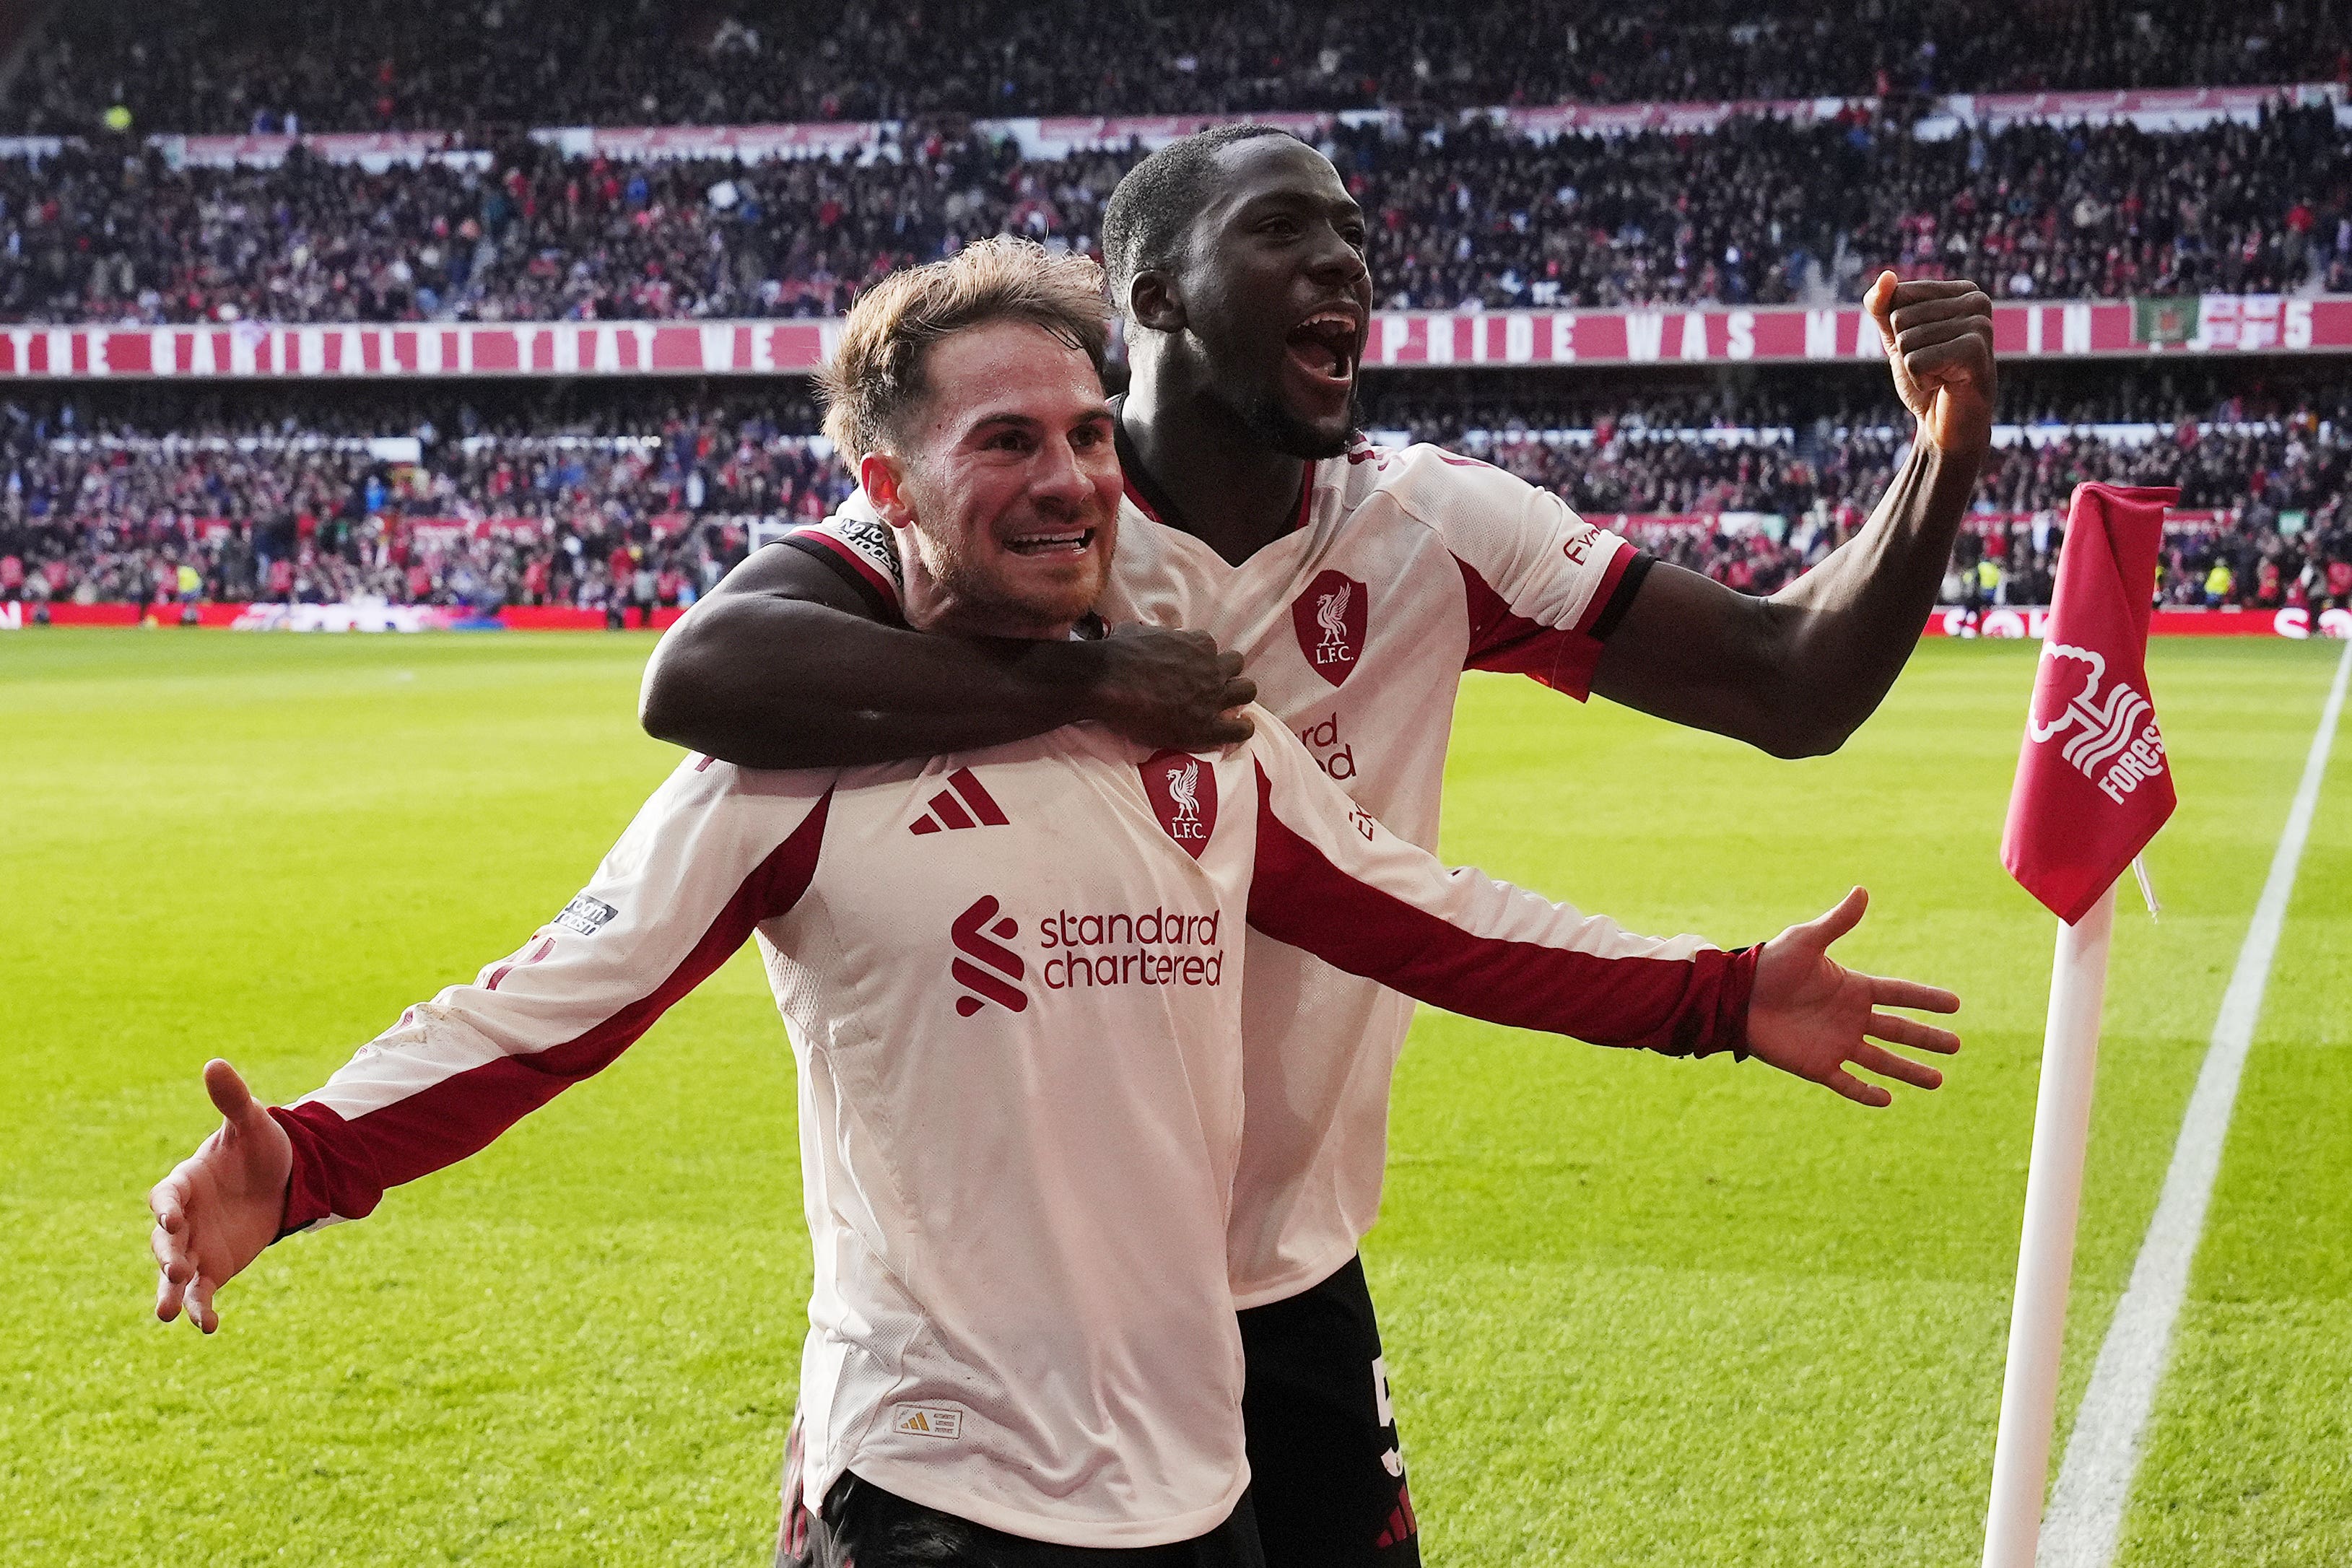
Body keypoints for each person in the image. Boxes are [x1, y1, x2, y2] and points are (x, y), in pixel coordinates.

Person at [148, 240, 1959, 1568]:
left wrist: (1726, 992)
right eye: (1004, 442)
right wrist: (299, 1162)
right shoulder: (796, 766)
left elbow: (1435, 912)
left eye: (1090, 434)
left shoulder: (1192, 733)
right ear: (888, 492)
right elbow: (556, 996)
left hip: (1198, 1479)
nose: (1072, 477)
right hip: (935, 1484)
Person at [642, 132, 1996, 1565]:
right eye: (1284, 230)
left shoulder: (1433, 525)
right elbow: (707, 671)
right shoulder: (1018, 517)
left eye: (1352, 233)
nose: (1344, 260)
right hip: (1008, 1319)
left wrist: (1942, 456)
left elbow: (1791, 681)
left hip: (1289, 1271)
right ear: (1153, 296)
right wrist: (1090, 682)